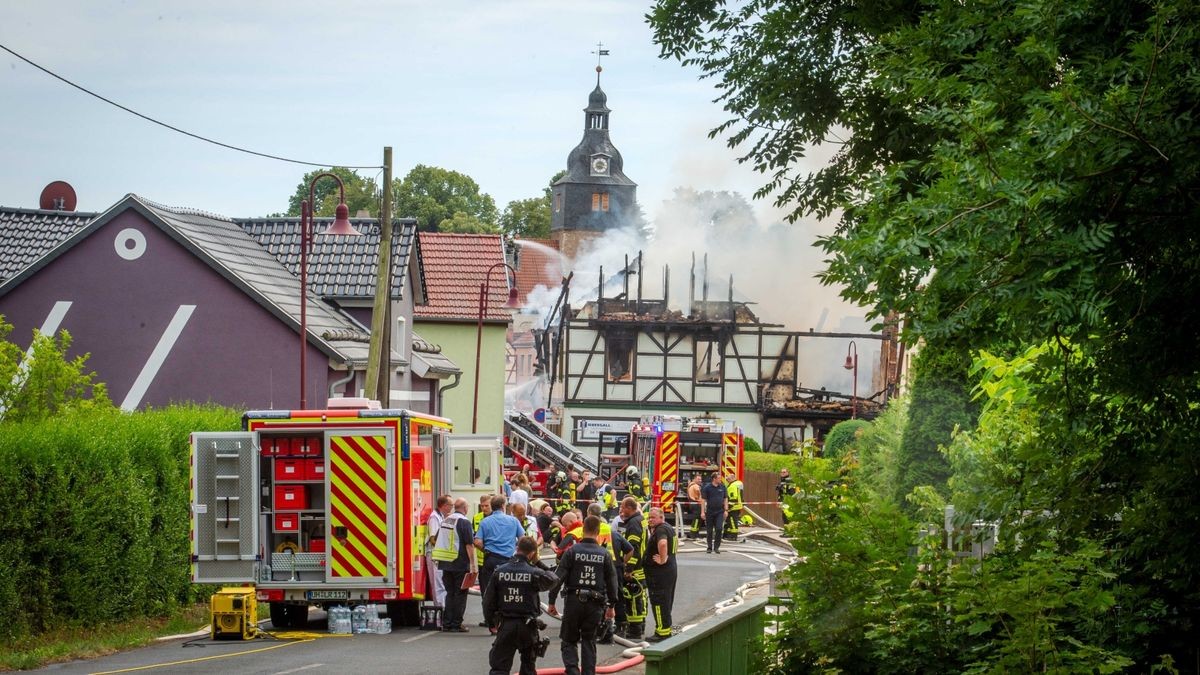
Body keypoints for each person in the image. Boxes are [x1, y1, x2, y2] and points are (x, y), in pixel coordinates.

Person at [547, 516, 620, 675]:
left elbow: (557, 578)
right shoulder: (604, 554)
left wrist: (551, 602)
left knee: (568, 640)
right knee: (589, 640)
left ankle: (572, 671)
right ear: (598, 531)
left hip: (574, 602)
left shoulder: (572, 551)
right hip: (595, 604)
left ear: (583, 530)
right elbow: (612, 582)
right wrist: (611, 606)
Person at [483, 536, 558, 675]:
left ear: (517, 548)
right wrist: (538, 563)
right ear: (532, 553)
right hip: (528, 626)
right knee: (528, 666)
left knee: (499, 667)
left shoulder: (500, 571)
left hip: (506, 624)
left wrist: (491, 622)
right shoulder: (534, 572)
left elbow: (488, 601)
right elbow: (554, 580)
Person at [475, 495, 527, 630]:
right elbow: (522, 539)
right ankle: (506, 620)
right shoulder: (513, 521)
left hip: (491, 559)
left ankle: (492, 624)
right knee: (508, 591)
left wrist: (485, 549)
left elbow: (477, 541)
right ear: (504, 506)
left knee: (489, 592)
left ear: (492, 506)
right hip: (508, 560)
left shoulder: (485, 522)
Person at [433, 498, 477, 632]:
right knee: (460, 594)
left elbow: (437, 538)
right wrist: (473, 565)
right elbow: (469, 545)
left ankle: (447, 623)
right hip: (460, 563)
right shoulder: (464, 522)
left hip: (446, 563)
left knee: (450, 593)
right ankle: (456, 623)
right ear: (465, 508)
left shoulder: (445, 520)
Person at [643, 507, 678, 643]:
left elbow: (663, 544)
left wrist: (662, 559)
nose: (650, 520)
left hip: (659, 574)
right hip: (669, 571)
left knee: (659, 601)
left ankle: (662, 632)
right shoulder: (669, 528)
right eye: (649, 517)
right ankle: (665, 629)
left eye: (653, 517)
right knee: (666, 600)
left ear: (661, 517)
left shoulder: (661, 530)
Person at [615, 496, 647, 639]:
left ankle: (634, 630)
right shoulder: (641, 520)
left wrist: (629, 569)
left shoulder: (633, 524)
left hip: (635, 568)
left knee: (632, 598)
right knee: (640, 597)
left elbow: (634, 548)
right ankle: (641, 625)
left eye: (622, 508)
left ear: (629, 508)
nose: (621, 511)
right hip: (642, 566)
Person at [700, 473, 728, 554]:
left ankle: (716, 547)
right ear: (714, 479)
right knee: (709, 530)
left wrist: (726, 510)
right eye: (719, 478)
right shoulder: (707, 488)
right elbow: (703, 500)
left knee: (719, 529)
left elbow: (725, 498)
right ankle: (709, 547)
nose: (720, 480)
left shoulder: (723, 487)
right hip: (710, 511)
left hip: (720, 511)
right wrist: (702, 512)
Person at [724, 473, 744, 540]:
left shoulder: (733, 486)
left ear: (732, 478)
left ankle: (733, 536)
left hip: (733, 507)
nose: (727, 480)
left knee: (732, 522)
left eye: (728, 479)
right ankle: (728, 535)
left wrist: (728, 507)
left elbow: (733, 498)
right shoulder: (738, 483)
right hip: (737, 506)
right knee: (730, 521)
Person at [685, 474, 703, 539]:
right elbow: (700, 493)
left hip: (692, 504)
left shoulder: (690, 485)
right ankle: (694, 534)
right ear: (694, 479)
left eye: (700, 479)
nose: (700, 480)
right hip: (696, 504)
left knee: (696, 519)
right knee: (697, 519)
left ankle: (694, 533)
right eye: (698, 479)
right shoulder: (696, 486)